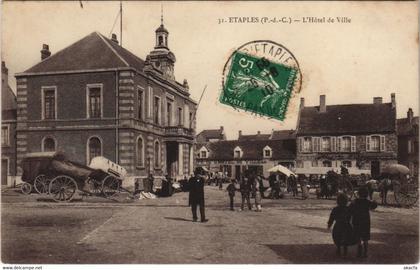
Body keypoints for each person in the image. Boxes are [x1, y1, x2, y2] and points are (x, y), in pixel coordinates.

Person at [349, 186, 377, 258]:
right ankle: (365, 252)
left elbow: (350, 209)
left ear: (358, 193)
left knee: (358, 237)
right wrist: (373, 201)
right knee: (365, 238)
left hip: (356, 221)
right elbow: (374, 206)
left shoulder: (355, 201)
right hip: (365, 222)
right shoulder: (367, 202)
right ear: (367, 194)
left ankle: (359, 251)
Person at [328, 193, 353, 257]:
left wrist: (329, 225)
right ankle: (345, 251)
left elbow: (331, 218)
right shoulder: (348, 209)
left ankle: (338, 249)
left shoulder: (335, 209)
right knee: (346, 238)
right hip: (346, 225)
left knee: (337, 237)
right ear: (347, 201)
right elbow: (352, 217)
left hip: (338, 225)